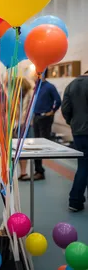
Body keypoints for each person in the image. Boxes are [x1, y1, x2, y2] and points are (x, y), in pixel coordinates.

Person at [62, 71, 88, 212]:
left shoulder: (71, 85)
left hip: (78, 131)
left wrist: (72, 123)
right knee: (84, 166)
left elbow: (65, 108)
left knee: (83, 165)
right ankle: (76, 199)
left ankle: (76, 200)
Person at [33, 69, 61, 180]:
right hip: (37, 117)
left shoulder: (50, 87)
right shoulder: (37, 86)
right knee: (36, 144)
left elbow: (58, 100)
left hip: (45, 117)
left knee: (41, 145)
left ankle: (40, 171)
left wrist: (52, 112)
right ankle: (39, 170)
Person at [18, 77, 33, 181]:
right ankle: (23, 172)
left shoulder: (26, 95)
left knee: (21, 149)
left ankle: (23, 172)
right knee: (21, 149)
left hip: (23, 124)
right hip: (24, 124)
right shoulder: (28, 95)